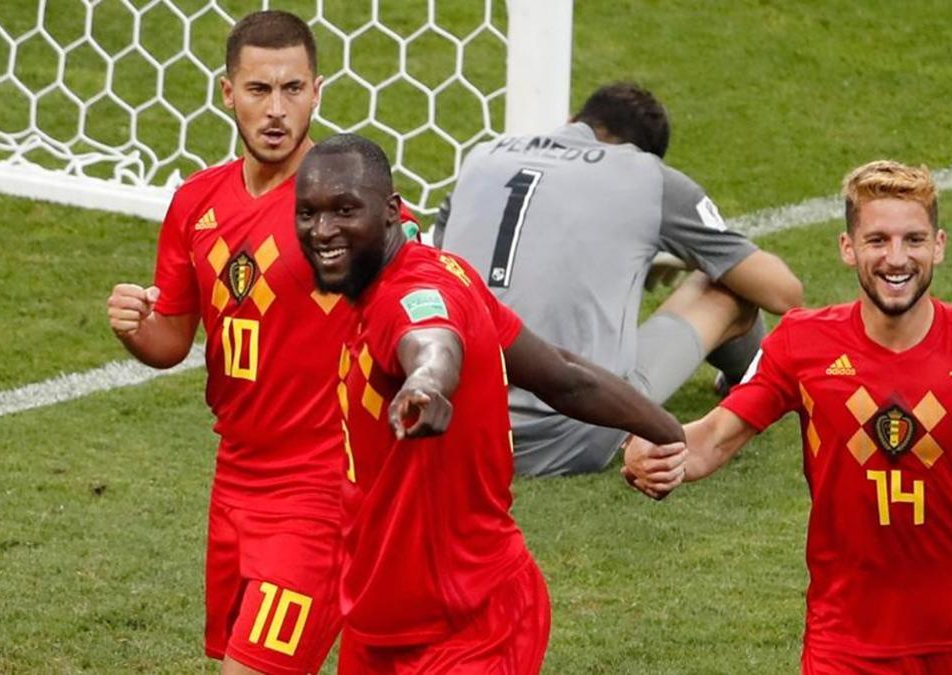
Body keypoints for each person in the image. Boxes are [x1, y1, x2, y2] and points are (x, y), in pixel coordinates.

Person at [623, 160, 952, 674]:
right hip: (845, 643)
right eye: (877, 240)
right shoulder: (800, 343)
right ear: (848, 248)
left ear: (939, 246)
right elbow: (712, 440)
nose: (896, 258)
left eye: (914, 240)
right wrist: (654, 447)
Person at [294, 133, 686, 673]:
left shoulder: (409, 299)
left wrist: (426, 386)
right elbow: (562, 375)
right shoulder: (428, 273)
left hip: (467, 626)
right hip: (378, 618)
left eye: (344, 211)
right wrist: (666, 427)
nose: (322, 232)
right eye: (308, 213)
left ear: (389, 212)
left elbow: (432, 343)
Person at [105, 12, 416, 674]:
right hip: (235, 478)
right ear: (227, 92)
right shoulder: (196, 202)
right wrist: (136, 329)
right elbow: (173, 341)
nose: (276, 110)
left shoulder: (345, 199)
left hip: (323, 488)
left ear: (318, 91)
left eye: (293, 89)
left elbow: (424, 288)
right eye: (258, 90)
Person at [433, 82, 804, 477]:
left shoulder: (483, 156)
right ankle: (746, 387)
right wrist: (685, 257)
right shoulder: (648, 177)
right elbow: (784, 293)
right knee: (731, 290)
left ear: (573, 121)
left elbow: (441, 261)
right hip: (563, 434)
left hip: (452, 422)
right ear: (644, 154)